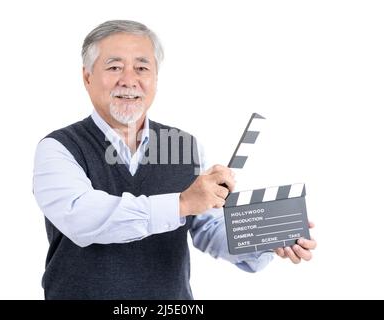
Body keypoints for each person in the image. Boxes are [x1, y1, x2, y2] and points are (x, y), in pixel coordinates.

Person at [32, 20, 316, 300]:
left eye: (142, 68)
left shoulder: (185, 146)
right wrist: (182, 203)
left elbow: (208, 228)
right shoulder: (58, 148)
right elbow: (82, 217)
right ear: (87, 77)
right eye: (114, 67)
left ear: (155, 79)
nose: (129, 80)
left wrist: (263, 237)